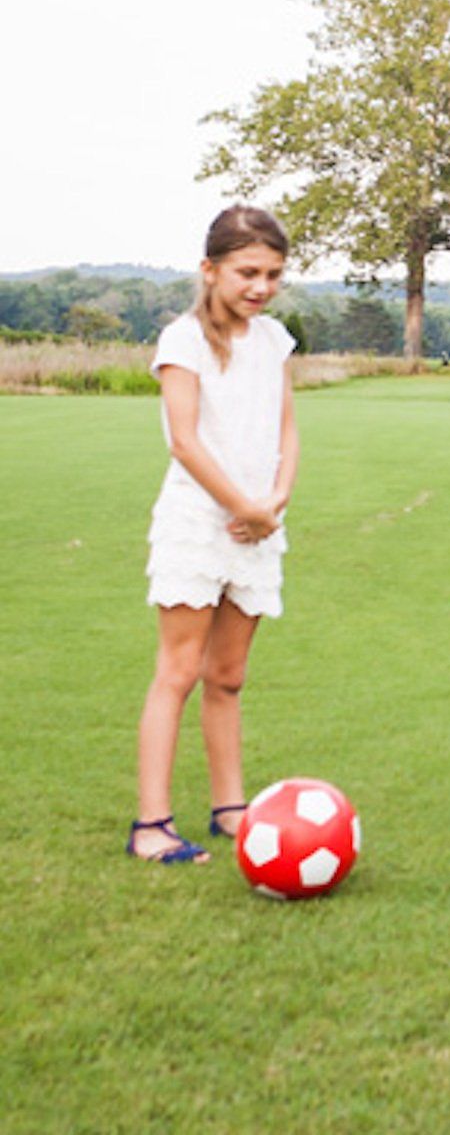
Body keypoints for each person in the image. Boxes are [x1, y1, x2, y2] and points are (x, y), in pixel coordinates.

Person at [129, 206, 299, 863]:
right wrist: (243, 506)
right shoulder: (183, 340)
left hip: (257, 526)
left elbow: (287, 430)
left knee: (227, 675)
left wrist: (273, 503)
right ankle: (152, 824)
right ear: (211, 269)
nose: (261, 287)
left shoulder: (275, 340)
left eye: (274, 275)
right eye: (247, 272)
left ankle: (232, 809)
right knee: (177, 672)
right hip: (198, 524)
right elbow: (185, 442)